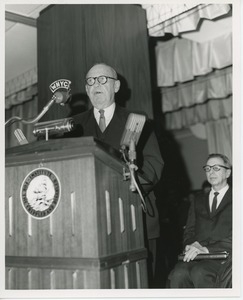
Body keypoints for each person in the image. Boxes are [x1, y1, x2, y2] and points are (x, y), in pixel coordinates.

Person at [67, 63, 164, 286]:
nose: (96, 85)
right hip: (89, 224)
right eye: (90, 81)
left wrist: (127, 188)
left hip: (135, 218)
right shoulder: (73, 125)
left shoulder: (137, 120)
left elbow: (154, 165)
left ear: (116, 86)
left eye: (103, 80)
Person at [168, 153, 232, 288]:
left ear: (227, 173)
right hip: (197, 255)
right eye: (208, 168)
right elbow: (189, 231)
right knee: (178, 273)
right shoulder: (198, 200)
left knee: (200, 272)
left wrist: (206, 249)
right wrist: (191, 246)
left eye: (216, 168)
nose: (211, 172)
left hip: (225, 256)